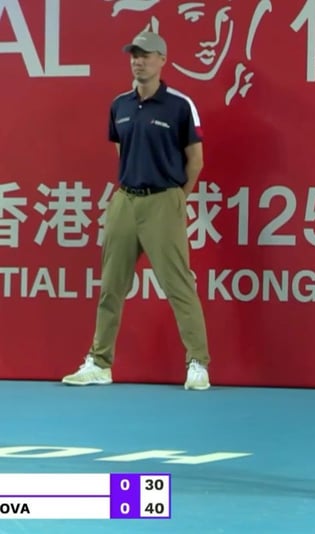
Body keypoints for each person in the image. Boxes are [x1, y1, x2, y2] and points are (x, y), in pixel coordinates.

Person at [61, 31, 212, 391]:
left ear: (162, 60)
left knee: (179, 285)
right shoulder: (120, 106)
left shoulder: (179, 105)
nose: (138, 61)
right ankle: (99, 363)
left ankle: (198, 364)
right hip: (124, 201)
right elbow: (122, 151)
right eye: (134, 55)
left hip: (164, 201)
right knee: (111, 286)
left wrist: (176, 198)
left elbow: (195, 160)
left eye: (145, 55)